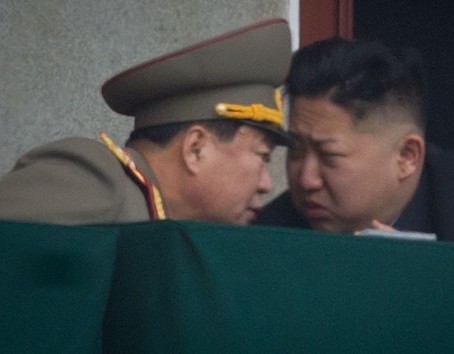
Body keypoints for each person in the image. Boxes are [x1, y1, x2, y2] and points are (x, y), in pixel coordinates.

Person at [255, 36, 454, 252]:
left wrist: (429, 277)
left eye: (329, 155)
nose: (306, 179)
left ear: (407, 156)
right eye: (296, 150)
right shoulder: (269, 232)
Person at [0, 19, 292, 226]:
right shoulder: (97, 182)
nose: (267, 184)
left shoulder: (169, 223)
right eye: (263, 156)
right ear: (195, 149)